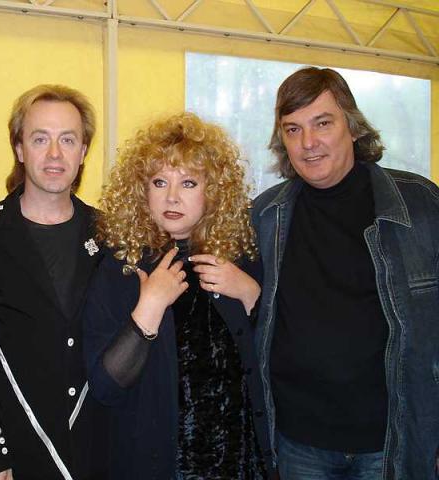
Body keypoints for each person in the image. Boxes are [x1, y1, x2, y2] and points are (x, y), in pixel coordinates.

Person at [252, 66, 439, 479]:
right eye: (293, 129)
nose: (308, 143)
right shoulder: (265, 215)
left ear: (353, 128)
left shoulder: (421, 206)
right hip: (299, 442)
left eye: (322, 123)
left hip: (393, 440)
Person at [83, 112, 274, 480]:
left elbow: (281, 361)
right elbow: (105, 387)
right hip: (156, 465)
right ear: (141, 191)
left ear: (212, 191)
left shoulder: (241, 258)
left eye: (188, 182)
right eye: (159, 182)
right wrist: (149, 307)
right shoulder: (120, 266)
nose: (171, 197)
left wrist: (252, 294)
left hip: (237, 462)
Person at [0, 84, 107, 480]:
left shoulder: (110, 235)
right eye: (40, 139)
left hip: (98, 447)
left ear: (83, 151)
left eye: (68, 140)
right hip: (21, 450)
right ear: (20, 149)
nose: (55, 154)